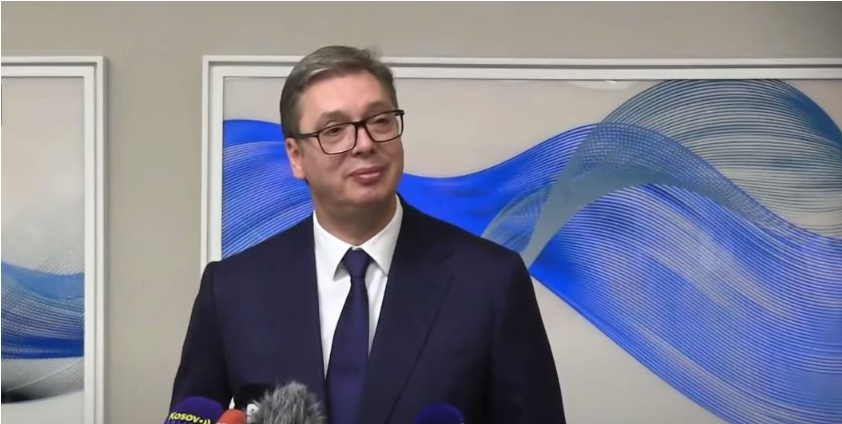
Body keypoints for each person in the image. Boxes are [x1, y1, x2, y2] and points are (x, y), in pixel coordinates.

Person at [171, 45, 566, 424]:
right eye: (335, 130)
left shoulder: (489, 282)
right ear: (296, 156)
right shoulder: (232, 290)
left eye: (379, 121)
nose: (364, 144)